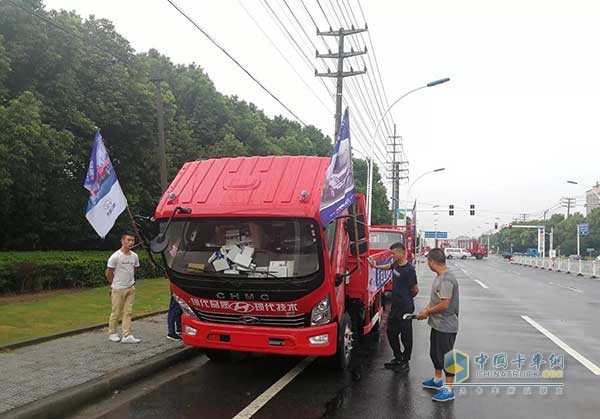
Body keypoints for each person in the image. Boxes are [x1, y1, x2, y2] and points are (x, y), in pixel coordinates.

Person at [416, 248, 460, 402]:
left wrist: (427, 313)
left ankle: (449, 389)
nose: (427, 263)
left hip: (446, 325)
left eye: (428, 261)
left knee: (447, 356)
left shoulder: (446, 279)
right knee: (435, 353)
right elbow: (436, 299)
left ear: (432, 262)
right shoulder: (440, 276)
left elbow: (445, 304)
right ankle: (437, 380)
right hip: (437, 323)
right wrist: (426, 309)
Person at [369, 242, 419, 373]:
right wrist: (375, 266)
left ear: (402, 253)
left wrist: (406, 298)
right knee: (391, 332)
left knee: (406, 336)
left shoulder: (409, 270)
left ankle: (405, 362)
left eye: (394, 253)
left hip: (405, 307)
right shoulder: (396, 264)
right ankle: (398, 357)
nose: (392, 255)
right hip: (395, 307)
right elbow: (389, 267)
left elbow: (415, 289)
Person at [106, 231, 141, 343]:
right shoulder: (115, 257)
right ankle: (112, 332)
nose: (131, 243)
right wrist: (114, 284)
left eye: (132, 240)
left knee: (128, 312)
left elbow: (134, 269)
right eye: (128, 240)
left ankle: (127, 335)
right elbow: (109, 272)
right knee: (116, 311)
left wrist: (130, 281)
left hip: (130, 287)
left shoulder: (134, 256)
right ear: (122, 241)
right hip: (118, 288)